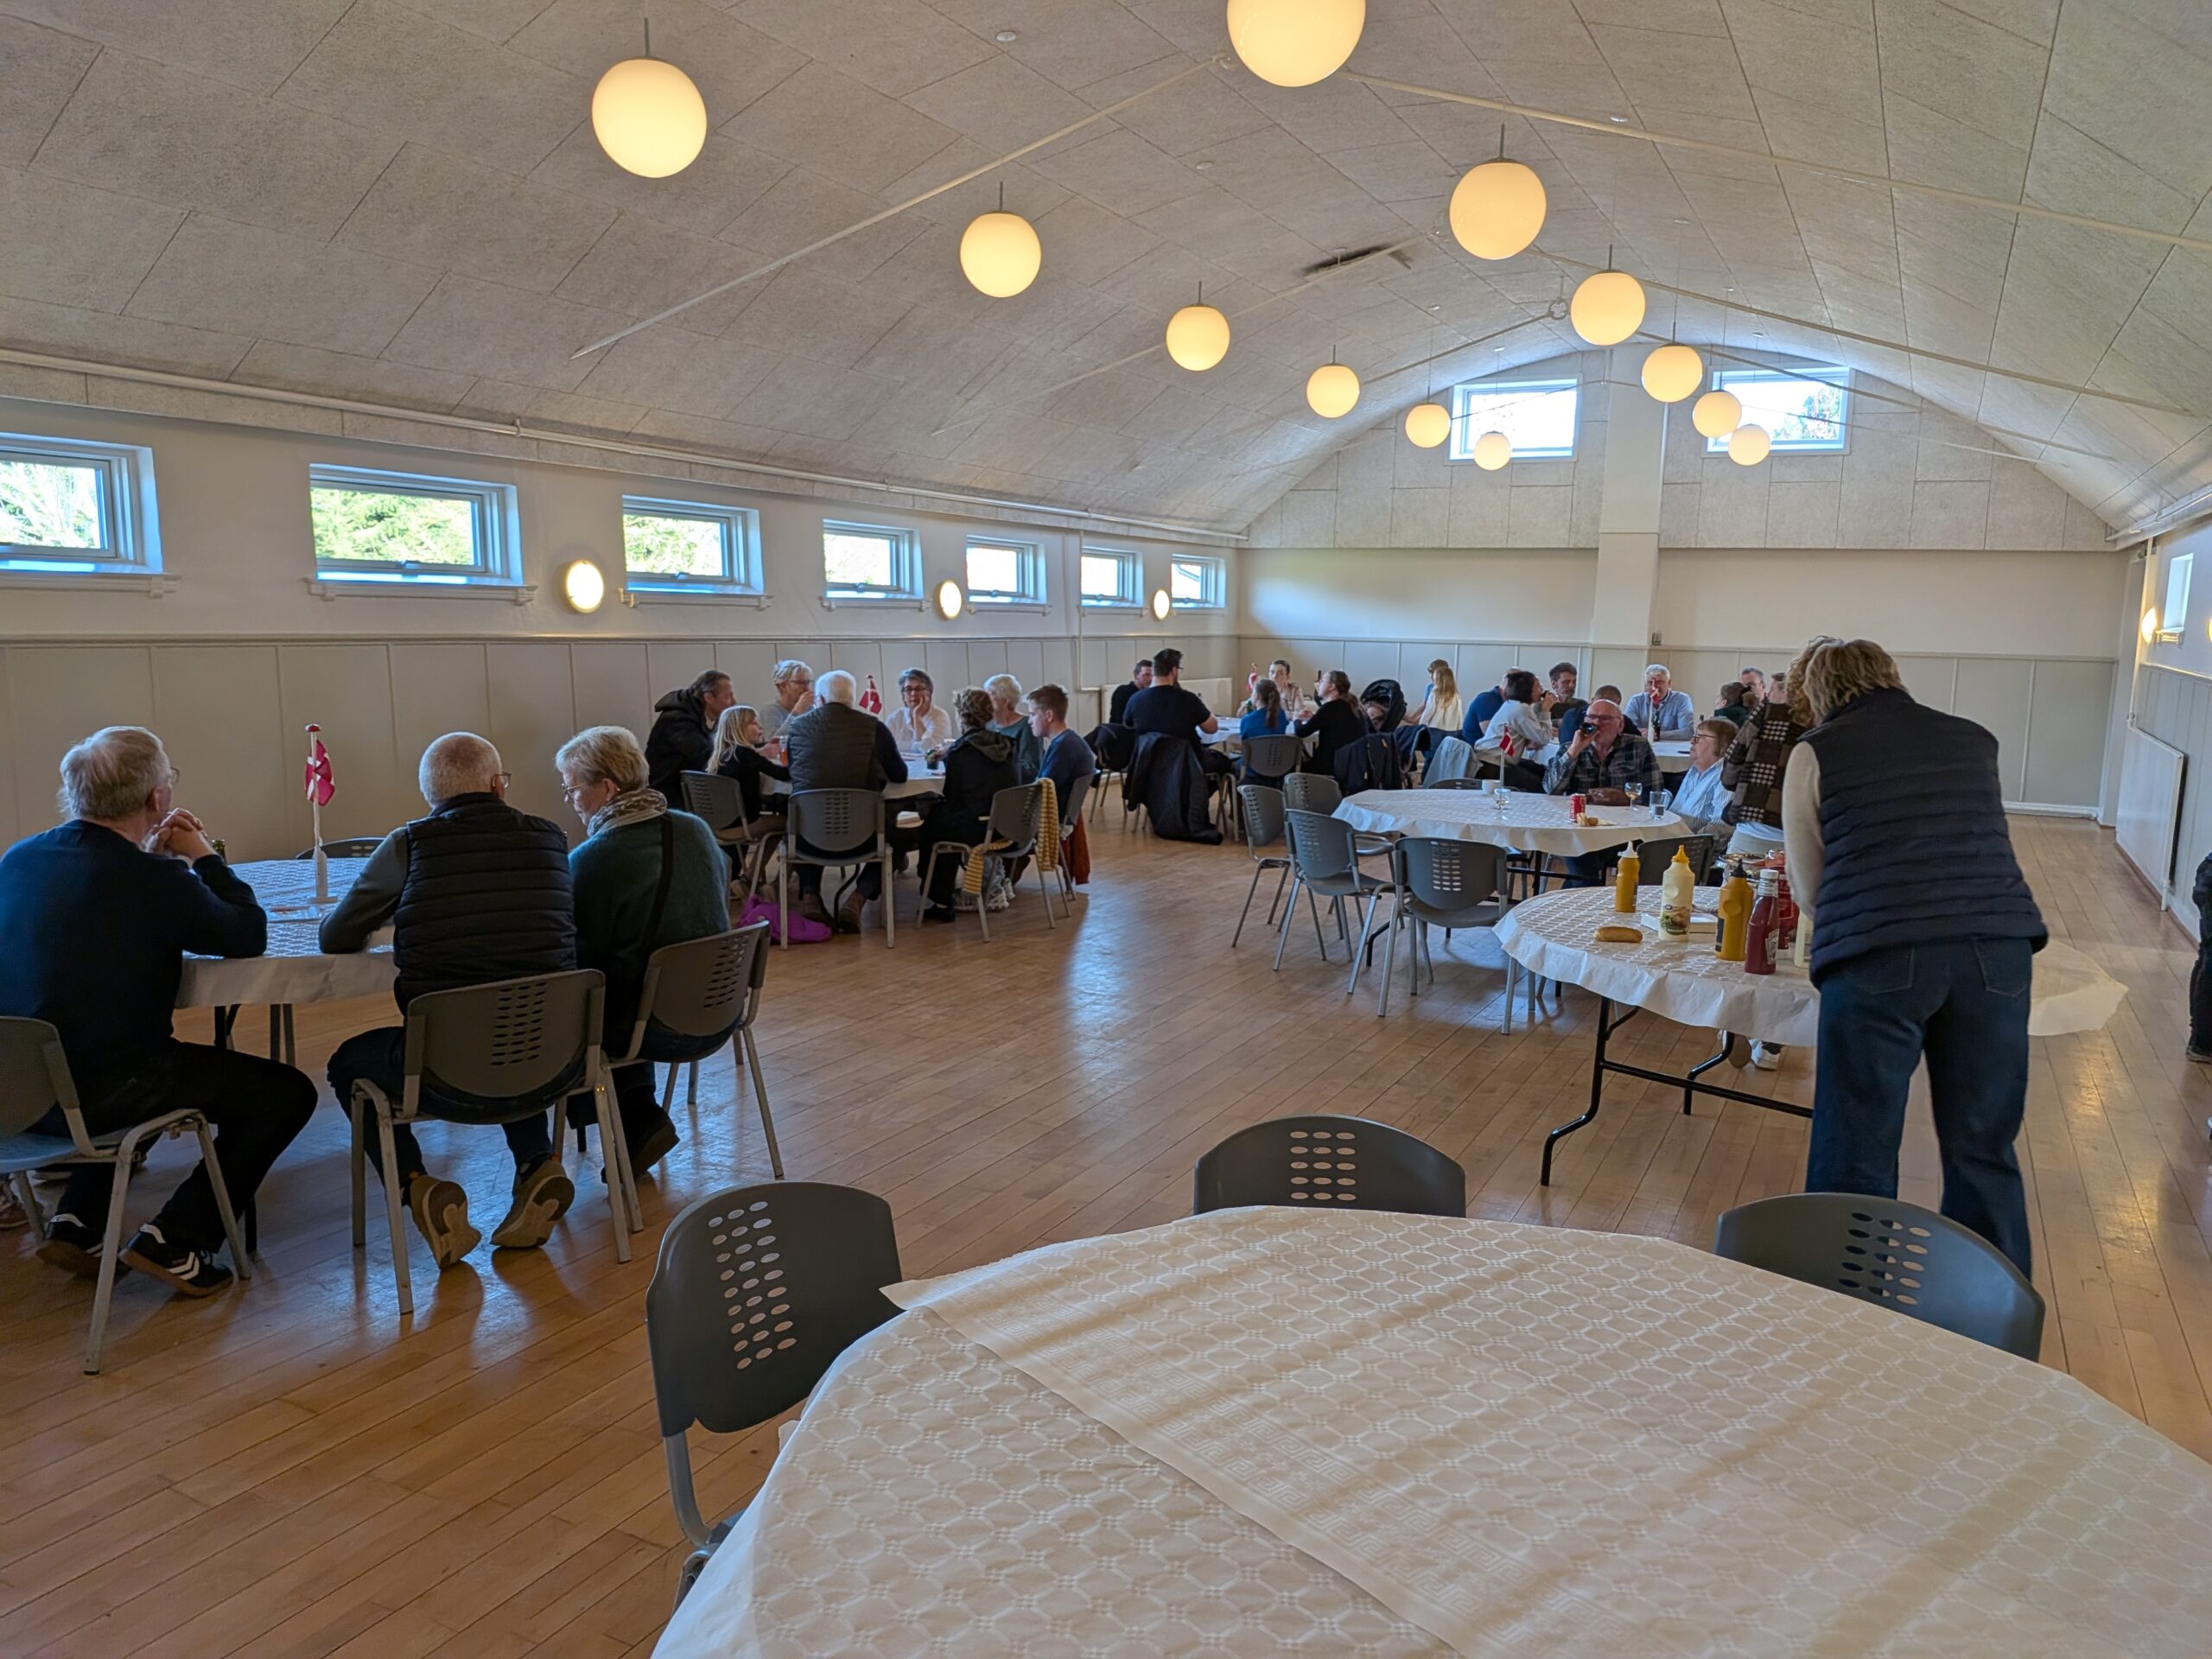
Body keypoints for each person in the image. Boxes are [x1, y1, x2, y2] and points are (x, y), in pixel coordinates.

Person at [0, 727, 315, 1295]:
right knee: (287, 1093)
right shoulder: (154, 878)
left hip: (20, 1095)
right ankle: (179, 1239)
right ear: (157, 798)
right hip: (103, 1091)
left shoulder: (19, 859)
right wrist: (203, 855)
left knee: (103, 1047)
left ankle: (78, 1223)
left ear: (73, 794)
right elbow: (247, 934)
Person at [1785, 638, 2046, 1275]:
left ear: (1818, 691)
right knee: (1984, 1144)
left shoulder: (1818, 750)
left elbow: (1809, 884)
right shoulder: (1973, 739)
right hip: (1998, 948)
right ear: (1891, 676)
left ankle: (1848, 1298)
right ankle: (1994, 1304)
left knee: (1857, 1141)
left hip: (1881, 948)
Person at [322, 734, 577, 1269]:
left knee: (347, 1062)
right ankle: (537, 1162)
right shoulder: (551, 838)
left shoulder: (412, 843)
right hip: (551, 1058)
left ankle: (417, 1184)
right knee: (513, 1012)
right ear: (497, 785)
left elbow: (337, 935)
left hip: (442, 1073)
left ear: (430, 796)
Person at [557, 726, 730, 1177]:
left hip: (654, 1025)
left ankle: (628, 1120)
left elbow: (581, 956)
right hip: (720, 1008)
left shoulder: (593, 859)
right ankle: (638, 1115)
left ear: (607, 788)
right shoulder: (696, 829)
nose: (570, 800)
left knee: (580, 998)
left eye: (573, 788)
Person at [782, 669, 907, 932]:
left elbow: (793, 772)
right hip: (864, 836)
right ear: (852, 699)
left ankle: (810, 896)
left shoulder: (797, 728)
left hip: (808, 838)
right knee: (897, 841)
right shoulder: (873, 727)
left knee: (807, 818)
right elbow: (900, 774)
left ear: (820, 699)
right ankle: (858, 898)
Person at [918, 690, 1021, 925]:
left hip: (978, 829)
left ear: (961, 716)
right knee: (943, 820)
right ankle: (946, 894)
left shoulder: (961, 752)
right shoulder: (1007, 745)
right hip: (1010, 826)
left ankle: (939, 898)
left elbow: (952, 797)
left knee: (935, 824)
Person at [1543, 699, 1662, 887]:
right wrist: (1575, 750)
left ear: (1620, 725)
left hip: (1624, 832)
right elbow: (1551, 789)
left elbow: (1655, 792)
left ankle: (1580, 900)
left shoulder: (1638, 747)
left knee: (1585, 876)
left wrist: (1623, 799)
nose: (1596, 723)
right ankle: (1587, 900)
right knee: (1583, 864)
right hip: (1580, 831)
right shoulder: (1570, 748)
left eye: (1605, 718)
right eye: (1591, 717)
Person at [1124, 648, 1230, 775]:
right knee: (1226, 763)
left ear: (1154, 671)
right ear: (1173, 671)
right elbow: (1212, 728)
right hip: (1187, 765)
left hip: (1147, 766)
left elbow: (1128, 726)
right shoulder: (1188, 699)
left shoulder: (1135, 700)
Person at [645, 670, 735, 800]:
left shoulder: (692, 713)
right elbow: (705, 758)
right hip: (670, 797)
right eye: (727, 697)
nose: (733, 702)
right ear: (709, 698)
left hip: (684, 791)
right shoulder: (679, 720)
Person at [1028, 683, 1096, 826]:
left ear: (1049, 715)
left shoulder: (1063, 748)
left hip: (1050, 821)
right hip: (1063, 817)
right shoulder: (1071, 741)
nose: (1030, 721)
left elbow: (1042, 792)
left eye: (1033, 715)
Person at [710, 703, 790, 823]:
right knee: (791, 821)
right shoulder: (746, 754)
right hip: (746, 821)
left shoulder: (724, 754)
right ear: (739, 728)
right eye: (754, 723)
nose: (760, 726)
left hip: (722, 820)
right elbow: (784, 775)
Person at [1297, 670, 1367, 777]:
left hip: (1330, 766)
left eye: (1322, 681)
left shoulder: (1329, 708)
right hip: (1353, 766)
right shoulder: (1355, 707)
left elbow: (1301, 732)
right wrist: (1314, 717)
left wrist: (1296, 720)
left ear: (1331, 686)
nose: (1319, 684)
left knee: (1293, 767)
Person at [1671, 719, 1734, 831]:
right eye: (1694, 736)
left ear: (1722, 744)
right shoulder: (1694, 770)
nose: (1692, 741)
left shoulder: (1725, 777)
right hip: (1672, 834)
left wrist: (1690, 841)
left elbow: (1721, 827)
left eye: (1699, 737)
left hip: (1691, 840)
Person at [1480, 668, 1554, 757]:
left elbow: (1535, 732)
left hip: (1489, 756)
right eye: (1538, 687)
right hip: (1495, 761)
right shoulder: (1522, 709)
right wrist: (1545, 710)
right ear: (1527, 689)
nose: (1542, 691)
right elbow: (1544, 738)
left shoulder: (1511, 704)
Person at [984, 673, 1042, 784]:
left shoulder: (1026, 726)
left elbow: (1031, 768)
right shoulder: (988, 726)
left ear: (1005, 702)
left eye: (990, 694)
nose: (985, 700)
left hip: (1016, 789)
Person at [883, 666, 954, 753]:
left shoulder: (940, 716)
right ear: (903, 695)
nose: (913, 693)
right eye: (908, 689)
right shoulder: (894, 719)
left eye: (919, 689)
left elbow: (934, 753)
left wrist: (917, 718)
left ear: (929, 693)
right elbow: (884, 752)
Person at [1622, 664, 1695, 739]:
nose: (1655, 688)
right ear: (1646, 685)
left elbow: (1688, 732)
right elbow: (1625, 729)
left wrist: (1656, 734)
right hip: (1642, 744)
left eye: (1660, 682)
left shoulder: (1682, 700)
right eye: (1651, 683)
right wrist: (1640, 733)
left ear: (1669, 683)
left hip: (1670, 745)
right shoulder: (1636, 701)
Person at [759, 659, 815, 740]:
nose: (807, 689)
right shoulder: (770, 710)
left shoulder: (810, 709)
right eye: (801, 683)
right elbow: (773, 741)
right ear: (782, 686)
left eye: (808, 682)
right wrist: (796, 713)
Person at [1409, 659, 1463, 734]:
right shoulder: (1455, 694)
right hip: (1451, 729)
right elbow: (1460, 714)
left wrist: (1421, 724)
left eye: (1433, 673)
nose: (1430, 676)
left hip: (1435, 728)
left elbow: (1429, 711)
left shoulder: (1435, 693)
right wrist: (1460, 728)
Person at [1557, 678, 1614, 747]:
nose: (1597, 722)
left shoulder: (1619, 721)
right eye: (1592, 717)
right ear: (1592, 701)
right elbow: (1566, 748)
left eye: (1605, 718)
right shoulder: (1573, 716)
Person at [1458, 674, 1511, 747]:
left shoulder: (1506, 702)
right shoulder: (1487, 700)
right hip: (1474, 749)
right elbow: (1491, 736)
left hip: (1483, 748)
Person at [1108, 658, 1153, 725]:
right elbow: (1117, 720)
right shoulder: (1123, 692)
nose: (1151, 679)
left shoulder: (1153, 694)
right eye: (1146, 675)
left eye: (1153, 675)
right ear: (1136, 675)